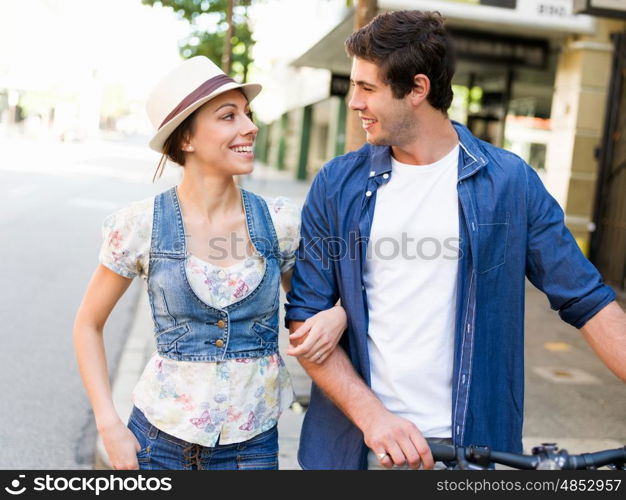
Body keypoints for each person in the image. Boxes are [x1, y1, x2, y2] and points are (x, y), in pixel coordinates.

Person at [285, 10, 626, 470]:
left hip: (471, 453)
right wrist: (375, 419)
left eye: (368, 88)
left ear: (418, 90)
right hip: (359, 447)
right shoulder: (337, 184)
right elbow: (305, 321)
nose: (354, 101)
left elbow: (587, 300)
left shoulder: (510, 183)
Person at [73, 56, 347, 470]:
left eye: (248, 114)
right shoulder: (140, 225)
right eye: (228, 116)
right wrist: (108, 423)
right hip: (157, 443)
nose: (250, 127)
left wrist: (337, 316)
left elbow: (314, 310)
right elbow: (87, 325)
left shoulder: (279, 222)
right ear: (186, 139)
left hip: (251, 449)